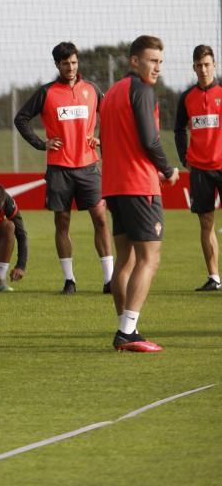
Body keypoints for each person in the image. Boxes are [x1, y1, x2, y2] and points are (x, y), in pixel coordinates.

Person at [15, 42, 112, 294]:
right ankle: (69, 280)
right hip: (59, 168)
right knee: (62, 222)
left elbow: (111, 113)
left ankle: (109, 280)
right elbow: (21, 118)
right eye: (66, 63)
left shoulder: (91, 89)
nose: (71, 67)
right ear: (57, 65)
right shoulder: (47, 93)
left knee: (101, 219)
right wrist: (41, 143)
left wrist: (102, 137)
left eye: (74, 62)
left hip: (89, 166)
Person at [101, 35, 178, 352]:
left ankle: (125, 326)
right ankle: (128, 332)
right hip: (139, 185)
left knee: (126, 260)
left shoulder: (111, 94)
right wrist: (167, 168)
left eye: (160, 61)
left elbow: (106, 142)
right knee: (149, 258)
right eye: (152, 60)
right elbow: (150, 138)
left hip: (115, 186)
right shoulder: (142, 90)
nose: (157, 67)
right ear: (134, 61)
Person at [174, 44, 222, 291]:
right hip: (200, 170)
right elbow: (179, 129)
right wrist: (185, 158)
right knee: (206, 223)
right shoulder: (187, 97)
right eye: (199, 65)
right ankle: (214, 278)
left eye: (207, 64)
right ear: (194, 67)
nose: (203, 69)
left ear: (214, 64)